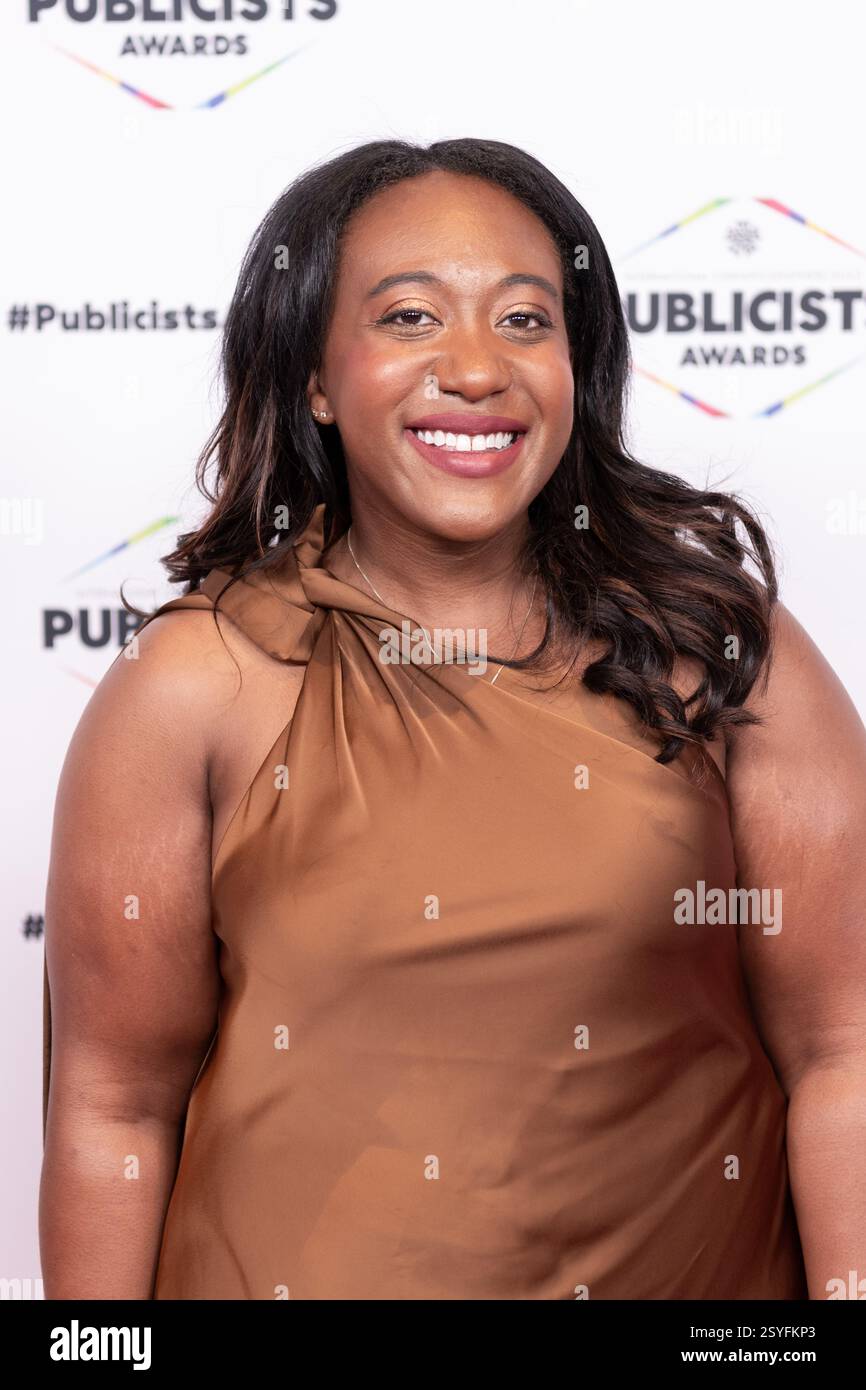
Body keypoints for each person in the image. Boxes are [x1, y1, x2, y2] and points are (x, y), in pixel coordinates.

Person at [39, 138, 866, 1301]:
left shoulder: (725, 656)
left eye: (526, 320)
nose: (475, 369)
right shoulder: (194, 684)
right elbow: (113, 1109)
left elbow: (845, 1051)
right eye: (409, 317)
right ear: (315, 377)